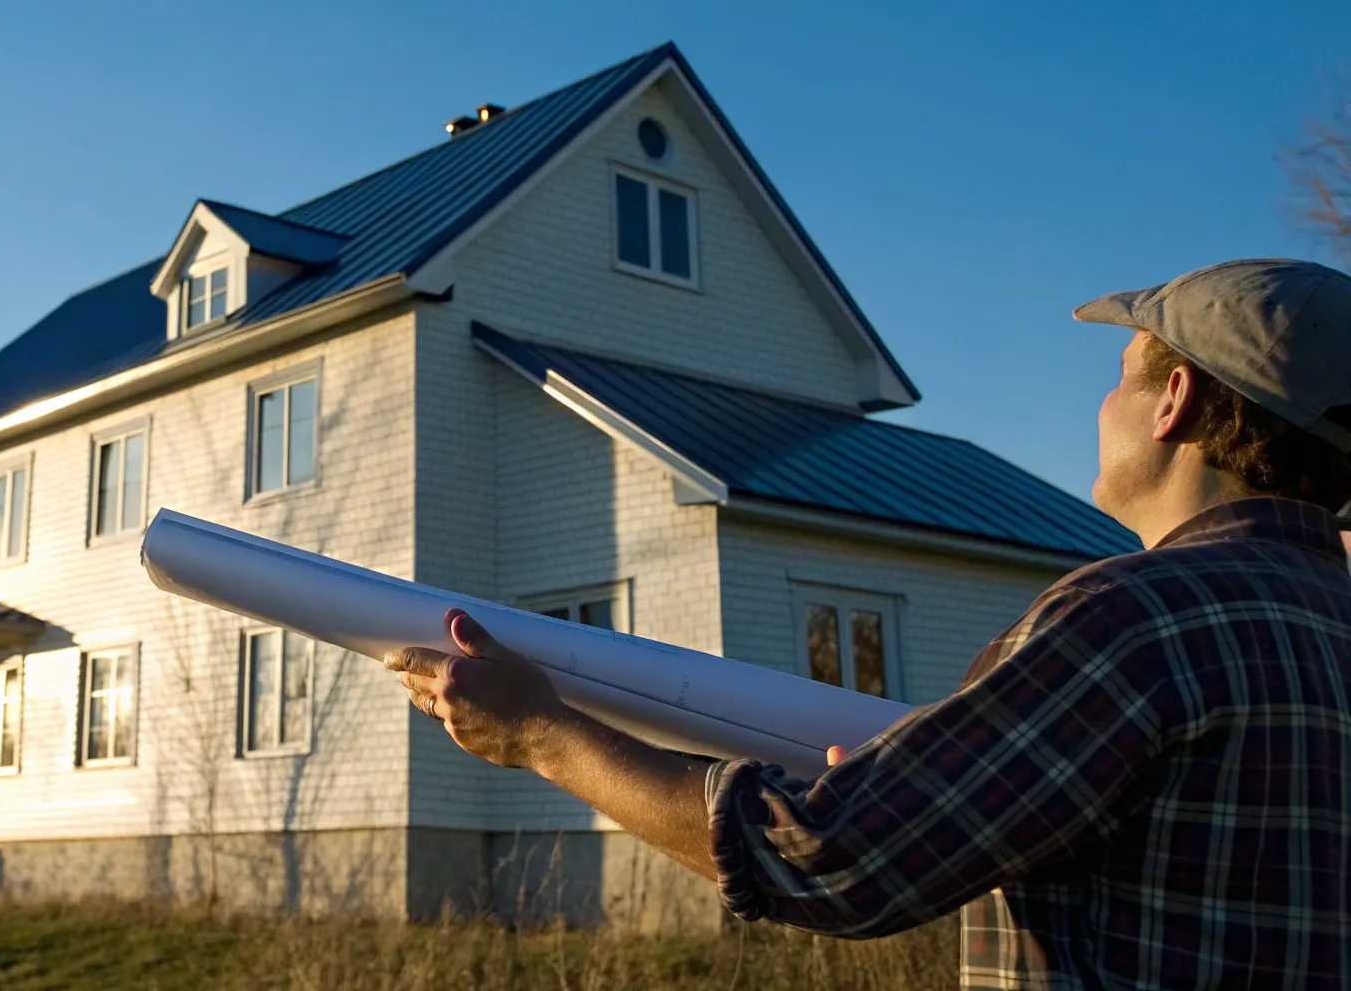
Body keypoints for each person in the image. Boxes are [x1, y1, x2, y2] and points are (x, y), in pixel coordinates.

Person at [386, 258, 1351, 988]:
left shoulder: (1141, 620)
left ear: (1174, 402)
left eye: (1124, 374)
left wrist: (542, 734)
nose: (1102, 404)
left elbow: (830, 859)